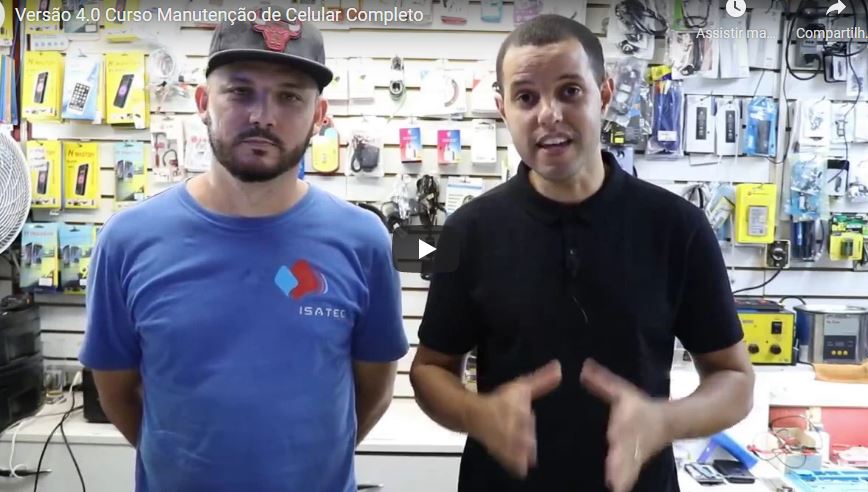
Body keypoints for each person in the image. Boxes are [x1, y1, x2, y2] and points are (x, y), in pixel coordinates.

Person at [409, 15, 755, 492]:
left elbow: (734, 379)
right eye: (526, 97)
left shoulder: (678, 227)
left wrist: (664, 421)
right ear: (503, 109)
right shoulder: (467, 231)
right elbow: (430, 369)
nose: (548, 114)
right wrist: (478, 413)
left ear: (605, 94)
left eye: (570, 91)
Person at [79, 16, 408, 492]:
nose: (262, 116)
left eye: (289, 97)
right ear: (202, 103)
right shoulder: (127, 241)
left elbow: (374, 391)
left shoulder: (364, 241)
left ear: (319, 116)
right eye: (239, 92)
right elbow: (115, 391)